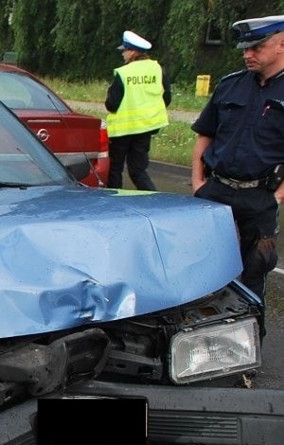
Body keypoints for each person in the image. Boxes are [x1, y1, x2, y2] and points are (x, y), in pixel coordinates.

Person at [191, 15, 284, 305]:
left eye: (257, 47)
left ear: (281, 44)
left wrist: (278, 196)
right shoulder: (231, 85)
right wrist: (197, 183)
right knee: (201, 267)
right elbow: (205, 135)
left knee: (255, 271)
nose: (247, 54)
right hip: (215, 191)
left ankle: (252, 338)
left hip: (260, 197)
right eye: (245, 48)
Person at [105, 30, 171, 190]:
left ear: (133, 52)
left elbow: (111, 104)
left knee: (115, 170)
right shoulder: (157, 69)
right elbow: (166, 97)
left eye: (124, 50)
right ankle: (152, 202)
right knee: (138, 171)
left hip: (122, 130)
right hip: (146, 128)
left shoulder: (123, 73)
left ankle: (114, 206)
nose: (123, 54)